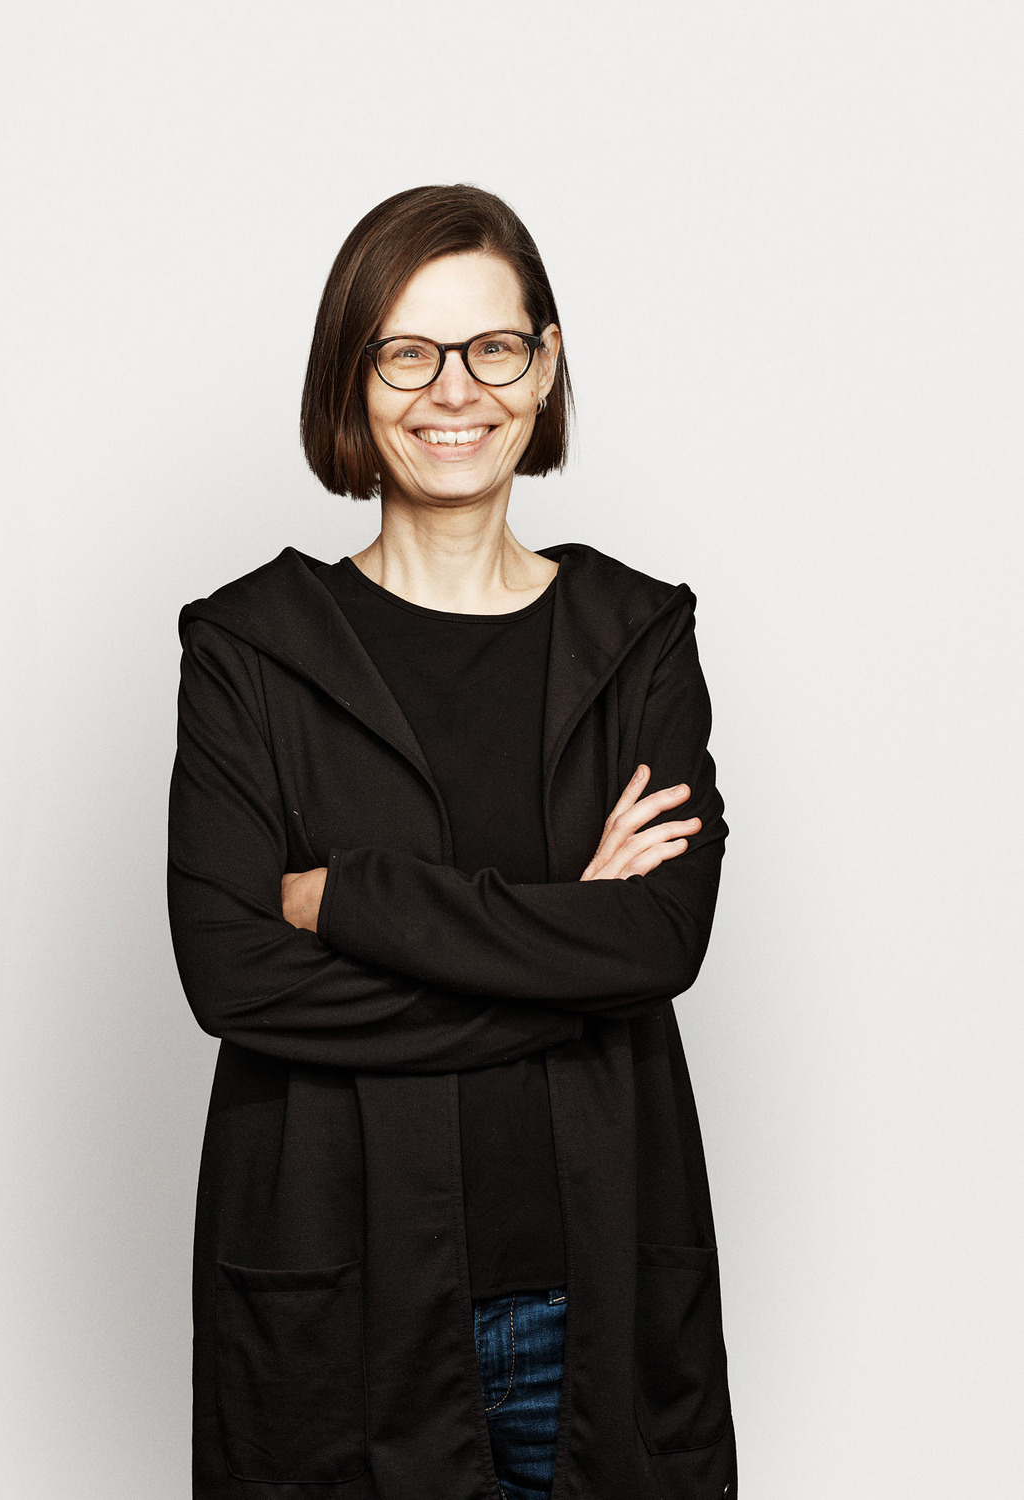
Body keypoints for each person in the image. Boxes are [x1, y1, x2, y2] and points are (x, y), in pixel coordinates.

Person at [167, 183, 735, 1500]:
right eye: (407, 354)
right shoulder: (250, 651)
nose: (454, 391)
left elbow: (658, 941)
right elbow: (234, 977)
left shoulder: (638, 640)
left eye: (492, 347)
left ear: (544, 365)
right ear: (351, 378)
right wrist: (568, 955)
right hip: (342, 1318)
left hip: (592, 1295)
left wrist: (348, 900)